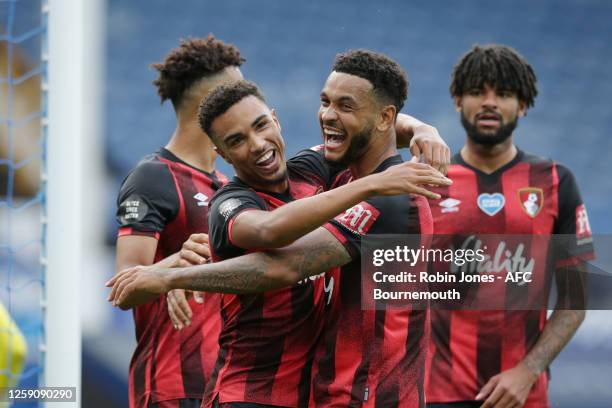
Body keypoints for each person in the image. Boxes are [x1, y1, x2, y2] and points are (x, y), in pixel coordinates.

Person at [109, 49, 445, 408]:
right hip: (243, 395)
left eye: (260, 126)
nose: (257, 145)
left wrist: (424, 129)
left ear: (276, 120)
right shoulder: (227, 203)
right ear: (221, 151)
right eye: (237, 140)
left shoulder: (316, 172)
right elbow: (276, 250)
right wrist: (169, 276)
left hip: (326, 395)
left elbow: (367, 125)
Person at [424, 44, 595, 408]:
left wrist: (528, 372)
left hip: (523, 396)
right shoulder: (429, 183)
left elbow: (575, 299)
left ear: (523, 104)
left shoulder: (554, 181)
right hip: (437, 394)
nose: (489, 103)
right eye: (476, 92)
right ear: (457, 100)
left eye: (503, 94)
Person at [114, 35, 243, 408]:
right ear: (210, 104)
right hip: (173, 388)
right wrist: (175, 265)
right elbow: (124, 286)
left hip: (228, 386)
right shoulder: (153, 177)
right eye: (237, 94)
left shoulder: (229, 186)